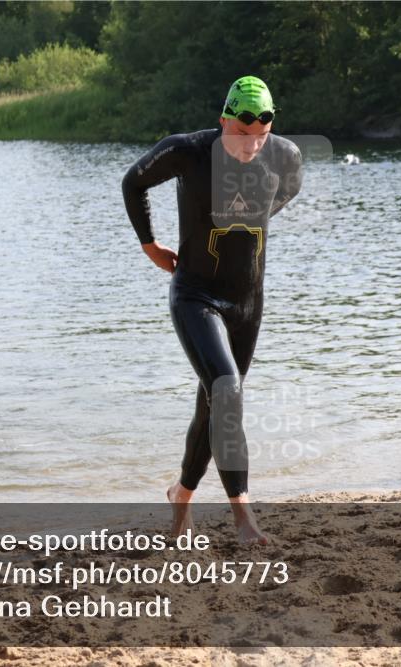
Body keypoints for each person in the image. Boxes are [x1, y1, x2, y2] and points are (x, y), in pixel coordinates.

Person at [121, 75, 303, 545]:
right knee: (226, 388)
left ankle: (181, 495)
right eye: (241, 133)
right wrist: (150, 245)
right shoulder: (188, 152)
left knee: (217, 401)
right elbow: (133, 182)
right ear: (224, 120)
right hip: (196, 296)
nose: (251, 145)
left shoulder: (285, 156)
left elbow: (288, 190)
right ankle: (243, 515)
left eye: (260, 135)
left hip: (247, 304)